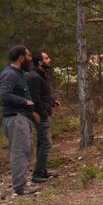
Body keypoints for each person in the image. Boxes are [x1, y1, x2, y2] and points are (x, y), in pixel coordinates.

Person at [0, 45, 39, 195]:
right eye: (28, 56)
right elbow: (5, 95)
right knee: (20, 152)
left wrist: (31, 112)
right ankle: (20, 187)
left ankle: (21, 184)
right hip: (15, 119)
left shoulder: (19, 73)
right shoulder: (9, 74)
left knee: (26, 150)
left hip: (22, 117)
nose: (30, 59)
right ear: (21, 58)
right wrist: (25, 102)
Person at [26, 51, 60, 183]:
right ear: (40, 62)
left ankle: (43, 171)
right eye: (46, 58)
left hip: (43, 113)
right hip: (41, 116)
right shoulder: (34, 77)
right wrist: (43, 113)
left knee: (42, 143)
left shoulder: (41, 75)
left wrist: (52, 101)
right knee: (46, 144)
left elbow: (43, 94)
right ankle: (38, 174)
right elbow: (35, 98)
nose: (49, 60)